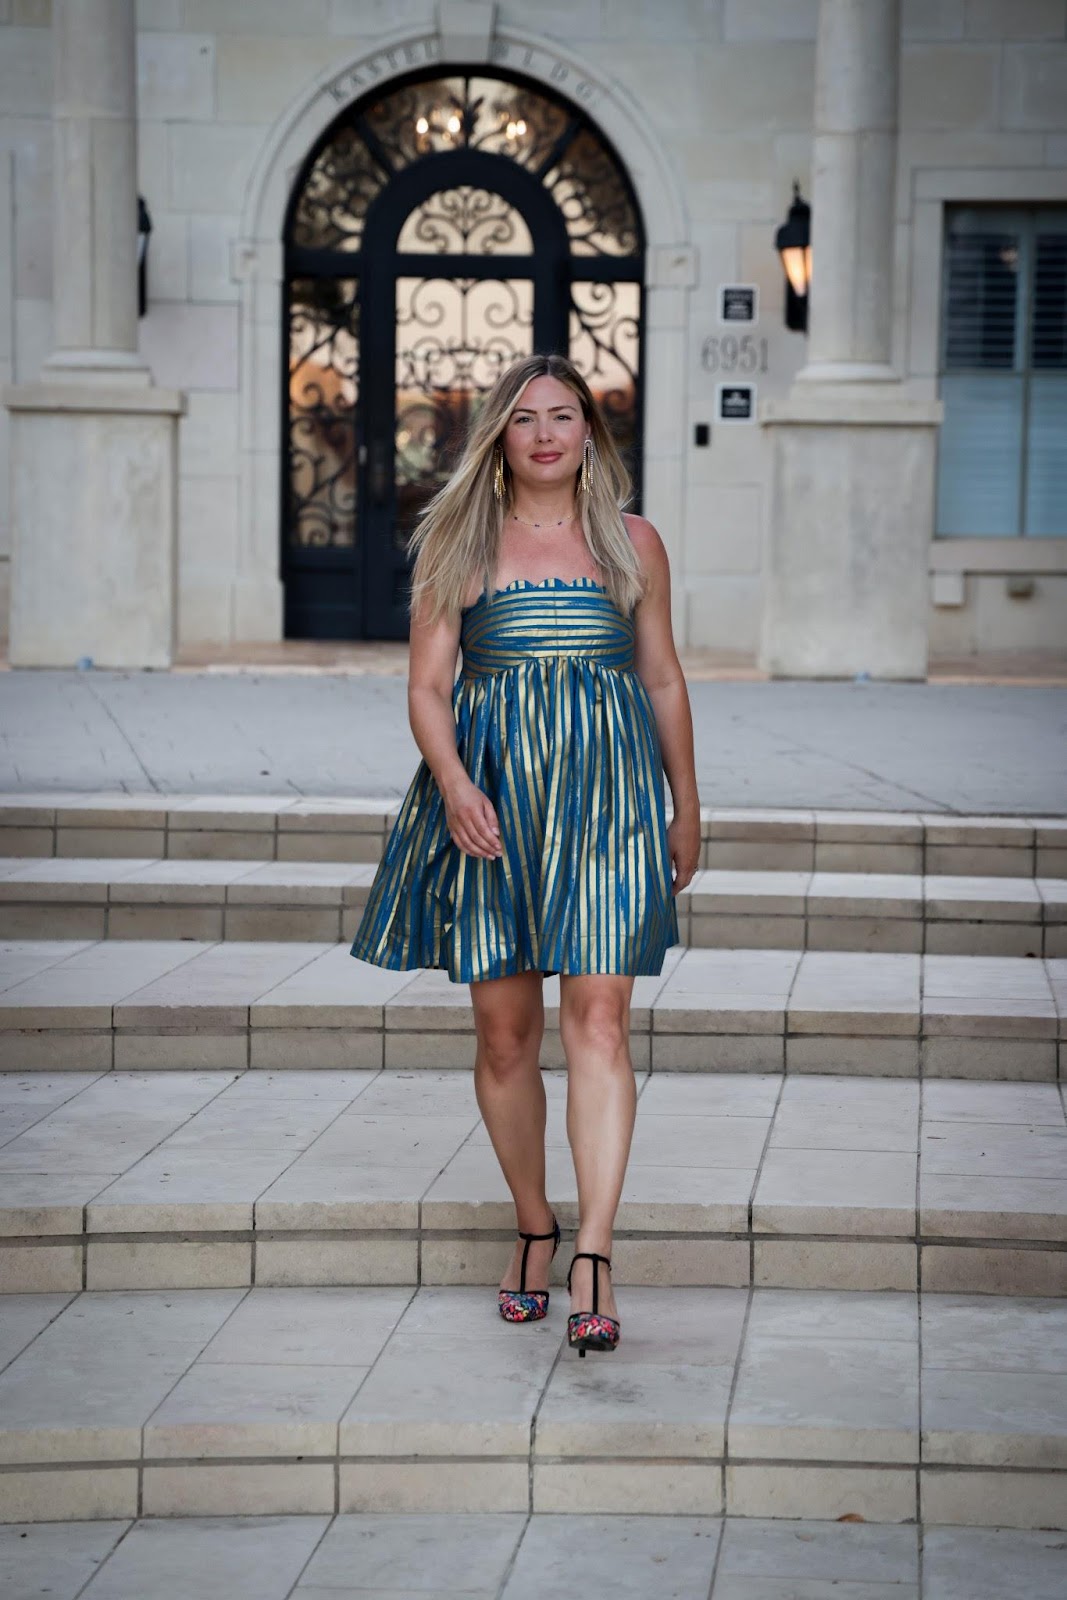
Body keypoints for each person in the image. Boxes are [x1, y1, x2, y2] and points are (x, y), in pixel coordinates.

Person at [350, 352, 700, 1355]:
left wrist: (685, 804)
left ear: (589, 431)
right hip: (494, 801)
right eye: (523, 418)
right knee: (504, 1036)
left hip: (606, 800)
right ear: (497, 436)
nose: (545, 434)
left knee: (599, 1020)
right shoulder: (456, 540)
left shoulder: (633, 541)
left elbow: (662, 678)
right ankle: (534, 1224)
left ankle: (592, 1252)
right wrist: (456, 784)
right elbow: (427, 687)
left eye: (562, 415)